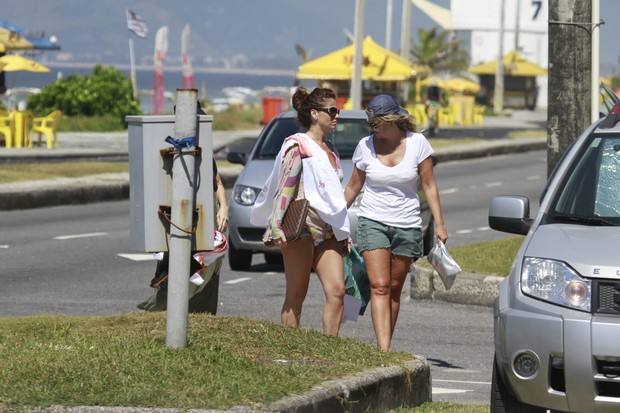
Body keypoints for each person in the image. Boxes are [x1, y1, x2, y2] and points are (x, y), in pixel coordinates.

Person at [344, 94, 449, 351]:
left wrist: (440, 225)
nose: (373, 128)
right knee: (379, 286)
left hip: (408, 224)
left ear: (392, 121)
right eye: (370, 123)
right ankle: (384, 350)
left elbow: (429, 186)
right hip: (373, 221)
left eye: (376, 123)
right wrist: (333, 219)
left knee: (393, 288)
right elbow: (352, 188)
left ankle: (385, 343)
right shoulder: (365, 146)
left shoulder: (417, 144)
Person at [250, 86, 350, 336]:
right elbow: (286, 187)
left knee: (337, 291)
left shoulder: (332, 152)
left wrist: (342, 231)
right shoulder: (299, 146)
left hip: (326, 229)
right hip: (301, 228)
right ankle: (290, 347)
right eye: (332, 110)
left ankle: (330, 350)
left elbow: (333, 196)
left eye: (338, 110)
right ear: (315, 114)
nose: (337, 115)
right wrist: (275, 224)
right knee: (296, 295)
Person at [137, 158, 229, 315]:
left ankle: (203, 318)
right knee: (179, 271)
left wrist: (224, 207)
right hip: (179, 220)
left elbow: (217, 182)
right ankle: (158, 311)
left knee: (210, 271)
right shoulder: (170, 153)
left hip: (206, 218)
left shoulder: (204, 149)